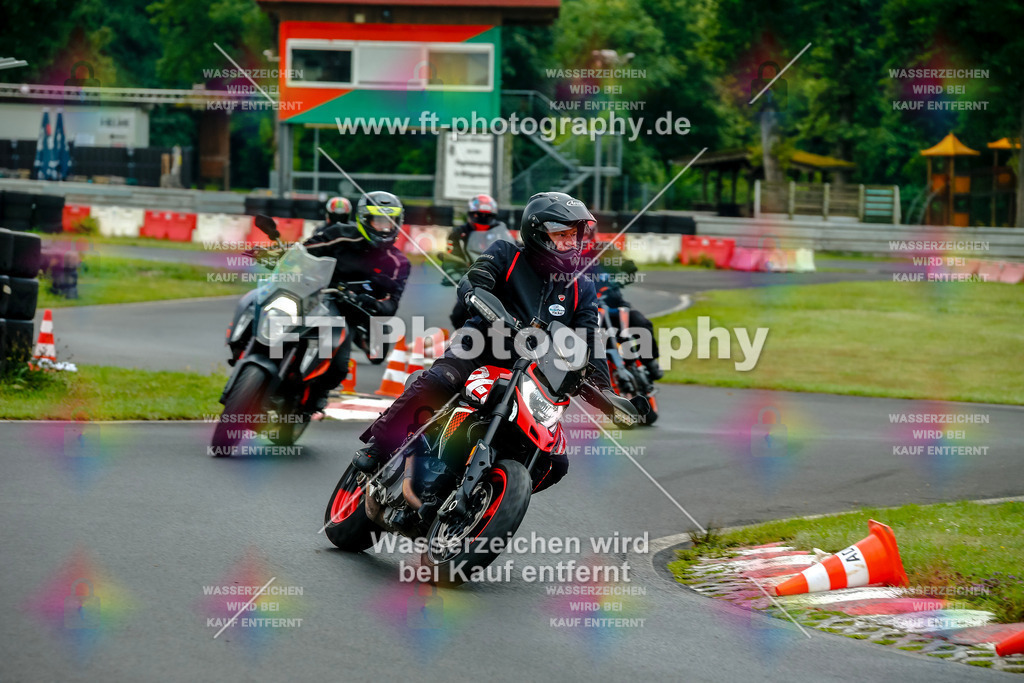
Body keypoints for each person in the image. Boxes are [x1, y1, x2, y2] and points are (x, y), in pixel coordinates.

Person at [354, 192, 612, 493]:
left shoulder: (582, 285)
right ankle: (380, 446)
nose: (571, 242)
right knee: (441, 380)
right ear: (538, 232)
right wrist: (486, 305)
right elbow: (474, 281)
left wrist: (606, 391)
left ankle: (487, 494)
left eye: (575, 234)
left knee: (556, 461)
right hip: (480, 346)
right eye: (562, 234)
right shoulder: (506, 253)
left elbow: (589, 338)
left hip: (534, 373)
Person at [299, 191, 411, 403]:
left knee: (340, 365)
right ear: (364, 219)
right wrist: (276, 253)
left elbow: (392, 302)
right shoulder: (339, 234)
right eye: (378, 221)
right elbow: (304, 250)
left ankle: (316, 397)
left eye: (390, 222)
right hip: (319, 296)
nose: (384, 227)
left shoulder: (399, 262)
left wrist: (373, 304)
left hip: (354, 313)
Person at [580, 237, 663, 380]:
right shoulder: (573, 259)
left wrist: (621, 279)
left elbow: (630, 268)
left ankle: (650, 362)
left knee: (641, 323)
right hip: (593, 312)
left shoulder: (607, 250)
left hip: (616, 307)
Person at [447, 194, 508, 262]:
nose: (483, 218)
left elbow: (512, 246)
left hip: (494, 269)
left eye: (488, 215)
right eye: (479, 214)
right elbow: (452, 257)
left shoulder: (499, 230)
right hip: (468, 269)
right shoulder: (459, 232)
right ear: (471, 214)